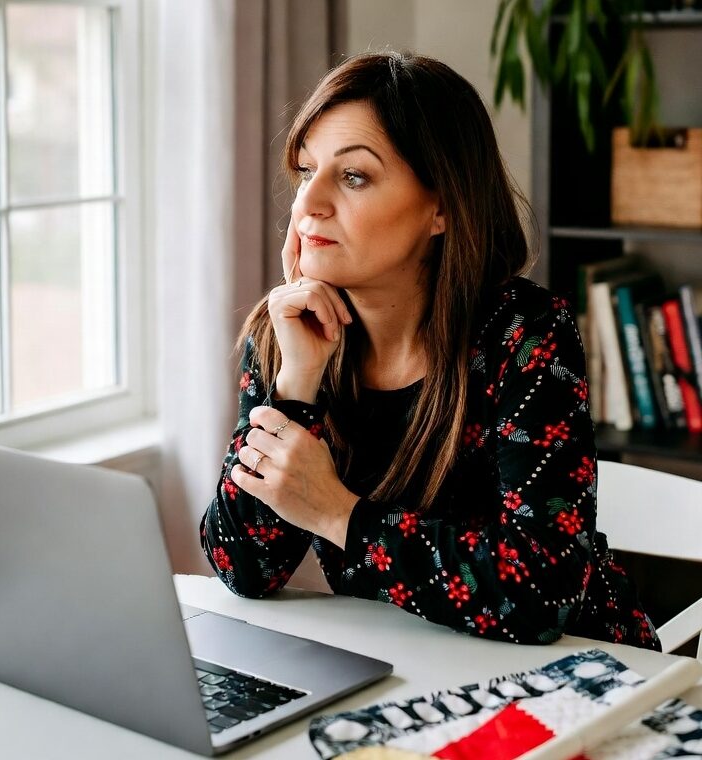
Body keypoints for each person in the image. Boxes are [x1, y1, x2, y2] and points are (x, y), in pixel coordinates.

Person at [200, 51, 660, 649]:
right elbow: (242, 567)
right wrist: (297, 385)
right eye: (307, 170)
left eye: (353, 176)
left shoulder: (524, 334)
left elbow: (541, 594)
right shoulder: (285, 334)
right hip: (407, 666)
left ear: (440, 206)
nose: (308, 203)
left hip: (585, 672)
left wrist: (339, 514)